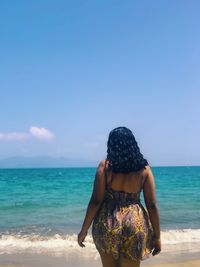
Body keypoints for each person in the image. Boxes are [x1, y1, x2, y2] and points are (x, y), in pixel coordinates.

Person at [78, 126, 161, 267]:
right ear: (133, 144)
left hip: (107, 221)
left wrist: (84, 229)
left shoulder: (105, 167)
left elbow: (96, 201)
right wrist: (157, 236)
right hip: (135, 224)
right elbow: (152, 205)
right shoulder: (144, 169)